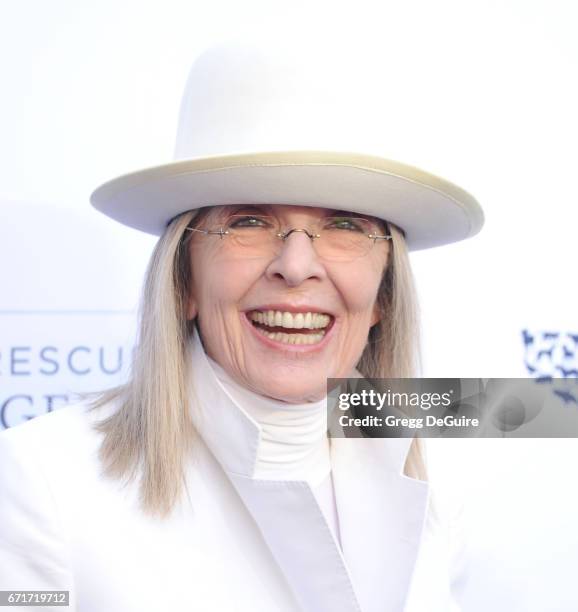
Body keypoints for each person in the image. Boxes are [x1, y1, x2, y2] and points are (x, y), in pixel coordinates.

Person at [0, 40, 483, 611]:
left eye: (345, 224)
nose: (298, 266)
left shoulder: (441, 477)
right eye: (249, 221)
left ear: (383, 295)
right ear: (183, 282)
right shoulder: (39, 478)